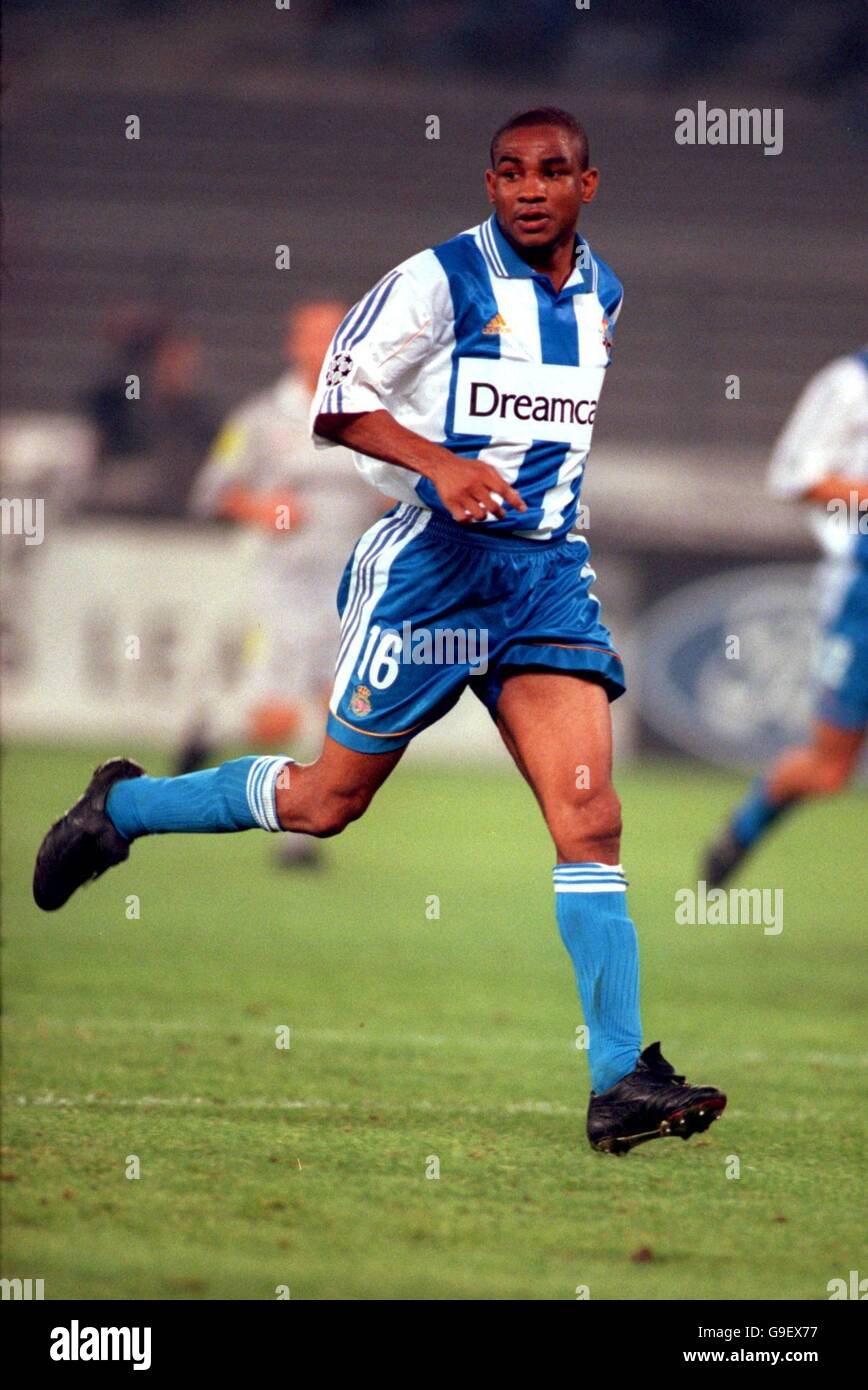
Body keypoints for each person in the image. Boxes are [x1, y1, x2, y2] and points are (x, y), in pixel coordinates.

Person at [34, 107, 725, 1155]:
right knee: (326, 802)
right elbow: (338, 401)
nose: (529, 188)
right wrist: (441, 468)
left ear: (590, 185)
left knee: (591, 820)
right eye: (507, 172)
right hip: (431, 573)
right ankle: (121, 810)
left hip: (544, 579)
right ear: (489, 186)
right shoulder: (437, 280)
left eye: (551, 172)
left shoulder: (603, 293)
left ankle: (619, 1079)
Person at [179, 301, 382, 866]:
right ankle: (212, 725)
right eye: (313, 336)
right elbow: (213, 491)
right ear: (293, 345)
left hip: (347, 587)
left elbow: (390, 493)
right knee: (277, 718)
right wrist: (264, 508)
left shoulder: (371, 417)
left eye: (335, 335)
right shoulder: (261, 417)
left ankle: (300, 840)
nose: (324, 346)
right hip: (279, 586)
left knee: (337, 705)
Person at [703, 349, 867, 886]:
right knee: (829, 769)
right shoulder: (850, 383)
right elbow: (794, 476)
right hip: (860, 593)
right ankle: (744, 828)